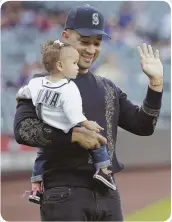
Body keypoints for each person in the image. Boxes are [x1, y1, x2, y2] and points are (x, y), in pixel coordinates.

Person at [14, 4, 163, 221]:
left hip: (108, 193)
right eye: (84, 41)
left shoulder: (108, 88)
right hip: (64, 193)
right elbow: (23, 130)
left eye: (97, 42)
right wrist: (72, 135)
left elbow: (144, 125)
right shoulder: (41, 83)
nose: (91, 50)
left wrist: (156, 84)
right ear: (65, 36)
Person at [18, 39, 116, 204]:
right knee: (99, 141)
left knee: (41, 158)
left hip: (47, 130)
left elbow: (23, 93)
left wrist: (18, 99)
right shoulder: (69, 87)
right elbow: (74, 114)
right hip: (66, 128)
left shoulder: (36, 82)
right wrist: (87, 124)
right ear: (61, 66)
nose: (78, 67)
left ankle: (35, 188)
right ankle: (104, 171)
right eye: (74, 63)